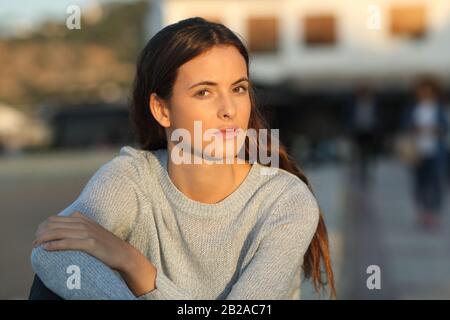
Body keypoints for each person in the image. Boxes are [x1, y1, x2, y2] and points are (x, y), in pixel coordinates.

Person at [29, 17, 336, 300]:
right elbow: (51, 252)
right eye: (204, 92)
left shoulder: (284, 200)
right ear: (162, 110)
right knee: (48, 289)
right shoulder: (132, 177)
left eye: (239, 88)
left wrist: (136, 267)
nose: (229, 109)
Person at [402, 79, 448, 230]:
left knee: (435, 183)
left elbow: (444, 127)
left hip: (435, 151)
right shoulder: (413, 109)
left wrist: (435, 129)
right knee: (419, 183)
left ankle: (433, 212)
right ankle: (422, 210)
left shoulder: (438, 108)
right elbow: (406, 126)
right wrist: (415, 129)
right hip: (418, 152)